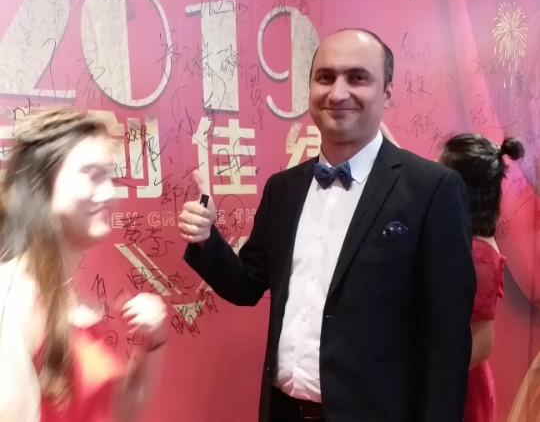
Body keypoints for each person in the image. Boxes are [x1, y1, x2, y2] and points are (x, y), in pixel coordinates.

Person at [179, 28, 476, 422]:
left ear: (387, 92)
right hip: (284, 411)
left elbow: (448, 341)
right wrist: (206, 239)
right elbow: (246, 285)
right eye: (325, 77)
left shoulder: (432, 189)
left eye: (357, 77)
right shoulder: (283, 188)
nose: (337, 93)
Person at [0, 107, 167, 422]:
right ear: (41, 184)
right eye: (92, 175)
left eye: (109, 176)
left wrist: (153, 344)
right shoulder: (13, 297)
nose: (109, 192)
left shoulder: (67, 291)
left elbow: (117, 410)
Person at [439, 133, 525, 422]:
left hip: (459, 391)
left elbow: (482, 342)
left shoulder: (479, 255)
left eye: (439, 171)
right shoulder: (465, 237)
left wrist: (433, 380)